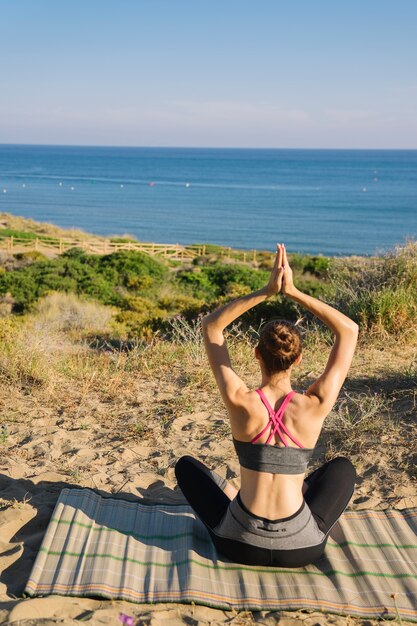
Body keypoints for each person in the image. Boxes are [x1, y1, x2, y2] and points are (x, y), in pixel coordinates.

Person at [175, 243, 358, 567]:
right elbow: (348, 330)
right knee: (342, 469)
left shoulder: (240, 400)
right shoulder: (314, 405)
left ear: (256, 354)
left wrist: (267, 290)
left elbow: (212, 327)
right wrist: (294, 291)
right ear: (298, 359)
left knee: (187, 467)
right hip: (301, 548)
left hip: (239, 544)